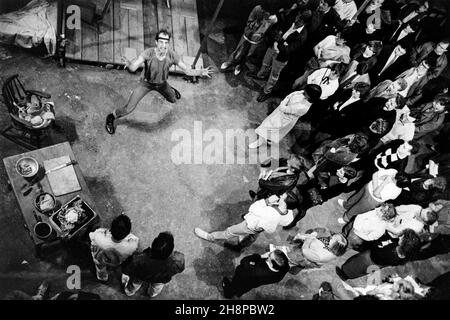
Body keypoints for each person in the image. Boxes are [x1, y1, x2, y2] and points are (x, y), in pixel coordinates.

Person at [105, 29, 213, 134]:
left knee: (173, 100)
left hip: (162, 84)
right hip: (146, 84)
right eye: (161, 42)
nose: (164, 45)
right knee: (128, 108)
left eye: (166, 42)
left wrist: (200, 72)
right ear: (156, 42)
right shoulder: (148, 53)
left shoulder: (172, 55)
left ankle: (171, 90)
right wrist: (129, 64)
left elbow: (187, 70)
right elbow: (133, 68)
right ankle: (111, 117)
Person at [194, 190, 300, 252]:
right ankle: (241, 246)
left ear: (285, 203)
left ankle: (210, 237)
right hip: (259, 226)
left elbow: (253, 208)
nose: (280, 196)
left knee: (229, 231)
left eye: (283, 197)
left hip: (250, 224)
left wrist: (267, 201)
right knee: (253, 235)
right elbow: (281, 224)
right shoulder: (289, 214)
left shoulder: (270, 214)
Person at [249, 84, 322, 149]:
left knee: (267, 128)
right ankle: (269, 140)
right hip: (282, 114)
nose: (303, 92)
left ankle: (260, 142)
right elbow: (293, 94)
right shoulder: (304, 94)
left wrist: (285, 101)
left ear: (310, 95)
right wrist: (287, 100)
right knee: (273, 130)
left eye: (305, 92)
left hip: (284, 119)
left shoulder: (302, 107)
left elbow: (283, 107)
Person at [336, 229, 422, 279]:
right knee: (362, 271)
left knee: (355, 266)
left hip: (370, 259)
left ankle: (345, 274)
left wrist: (380, 240)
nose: (400, 236)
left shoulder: (391, 254)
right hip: (377, 265)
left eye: (402, 237)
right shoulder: (404, 253)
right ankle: (348, 274)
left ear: (404, 244)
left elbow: (376, 249)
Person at [121, 231, 185, 297]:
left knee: (134, 283)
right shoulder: (178, 260)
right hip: (160, 279)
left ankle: (129, 292)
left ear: (153, 245)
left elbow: (126, 269)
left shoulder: (139, 259)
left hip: (141, 276)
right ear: (171, 250)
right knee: (157, 287)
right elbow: (181, 269)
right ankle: (152, 294)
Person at [338, 168, 407, 223]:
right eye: (394, 175)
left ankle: (346, 218)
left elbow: (376, 194)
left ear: (398, 184)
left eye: (394, 178)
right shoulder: (394, 171)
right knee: (355, 198)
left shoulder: (395, 191)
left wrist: (384, 182)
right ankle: (346, 205)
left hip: (372, 200)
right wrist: (376, 186)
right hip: (367, 187)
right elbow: (375, 174)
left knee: (357, 209)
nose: (392, 176)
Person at [271, 228, 347, 273]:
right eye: (333, 236)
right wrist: (316, 232)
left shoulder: (321, 256)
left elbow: (305, 250)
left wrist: (309, 238)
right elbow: (325, 231)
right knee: (300, 265)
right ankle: (296, 269)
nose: (331, 237)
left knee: (295, 260)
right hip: (311, 253)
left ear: (336, 246)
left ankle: (288, 268)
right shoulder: (335, 249)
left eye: (333, 239)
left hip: (306, 256)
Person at [89, 214, 139, 282]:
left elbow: (91, 235)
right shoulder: (131, 246)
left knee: (100, 269)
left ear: (111, 229)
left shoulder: (99, 237)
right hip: (116, 262)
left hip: (100, 259)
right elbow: (135, 239)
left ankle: (102, 278)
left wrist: (103, 231)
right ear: (127, 234)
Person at [221, 249, 289, 298]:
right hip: (253, 283)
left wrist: (260, 256)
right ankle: (238, 293)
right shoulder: (284, 269)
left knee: (235, 286)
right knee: (244, 288)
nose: (268, 253)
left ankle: (228, 293)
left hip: (243, 278)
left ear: (271, 263)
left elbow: (244, 261)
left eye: (269, 255)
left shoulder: (256, 271)